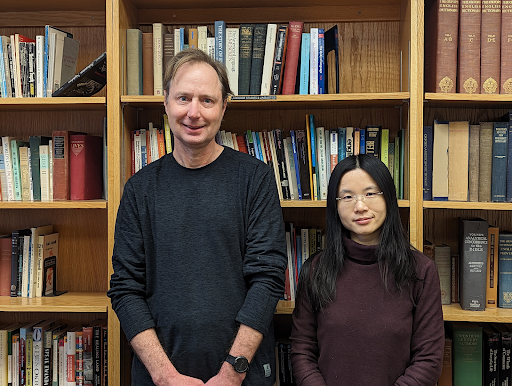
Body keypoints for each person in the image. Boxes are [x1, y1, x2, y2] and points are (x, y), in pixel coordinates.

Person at [107, 48, 287, 386]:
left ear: (224, 106)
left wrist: (232, 373)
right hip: (159, 379)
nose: (194, 112)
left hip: (242, 377)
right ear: (165, 102)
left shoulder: (255, 179)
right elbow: (125, 289)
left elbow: (268, 279)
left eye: (207, 100)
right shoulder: (140, 189)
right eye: (183, 98)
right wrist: (164, 376)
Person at [290, 154, 444, 386]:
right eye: (347, 197)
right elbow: (302, 350)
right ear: (335, 205)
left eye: (371, 194)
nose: (360, 206)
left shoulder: (421, 270)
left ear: (388, 199)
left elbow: (429, 360)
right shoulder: (315, 270)